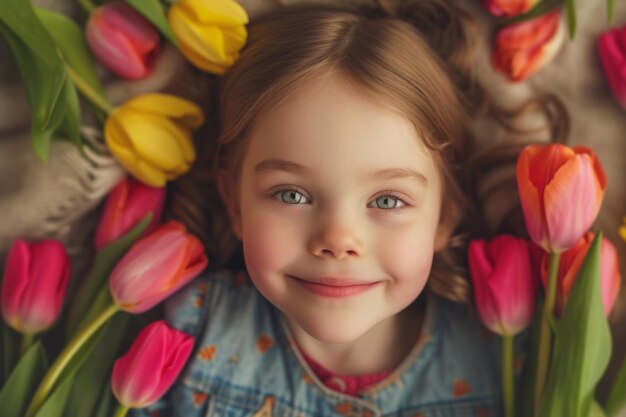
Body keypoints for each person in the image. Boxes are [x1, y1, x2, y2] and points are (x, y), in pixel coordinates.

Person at [134, 0, 567, 416]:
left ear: (445, 214)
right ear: (235, 203)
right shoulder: (191, 329)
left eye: (387, 200)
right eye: (291, 194)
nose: (338, 240)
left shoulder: (507, 359)